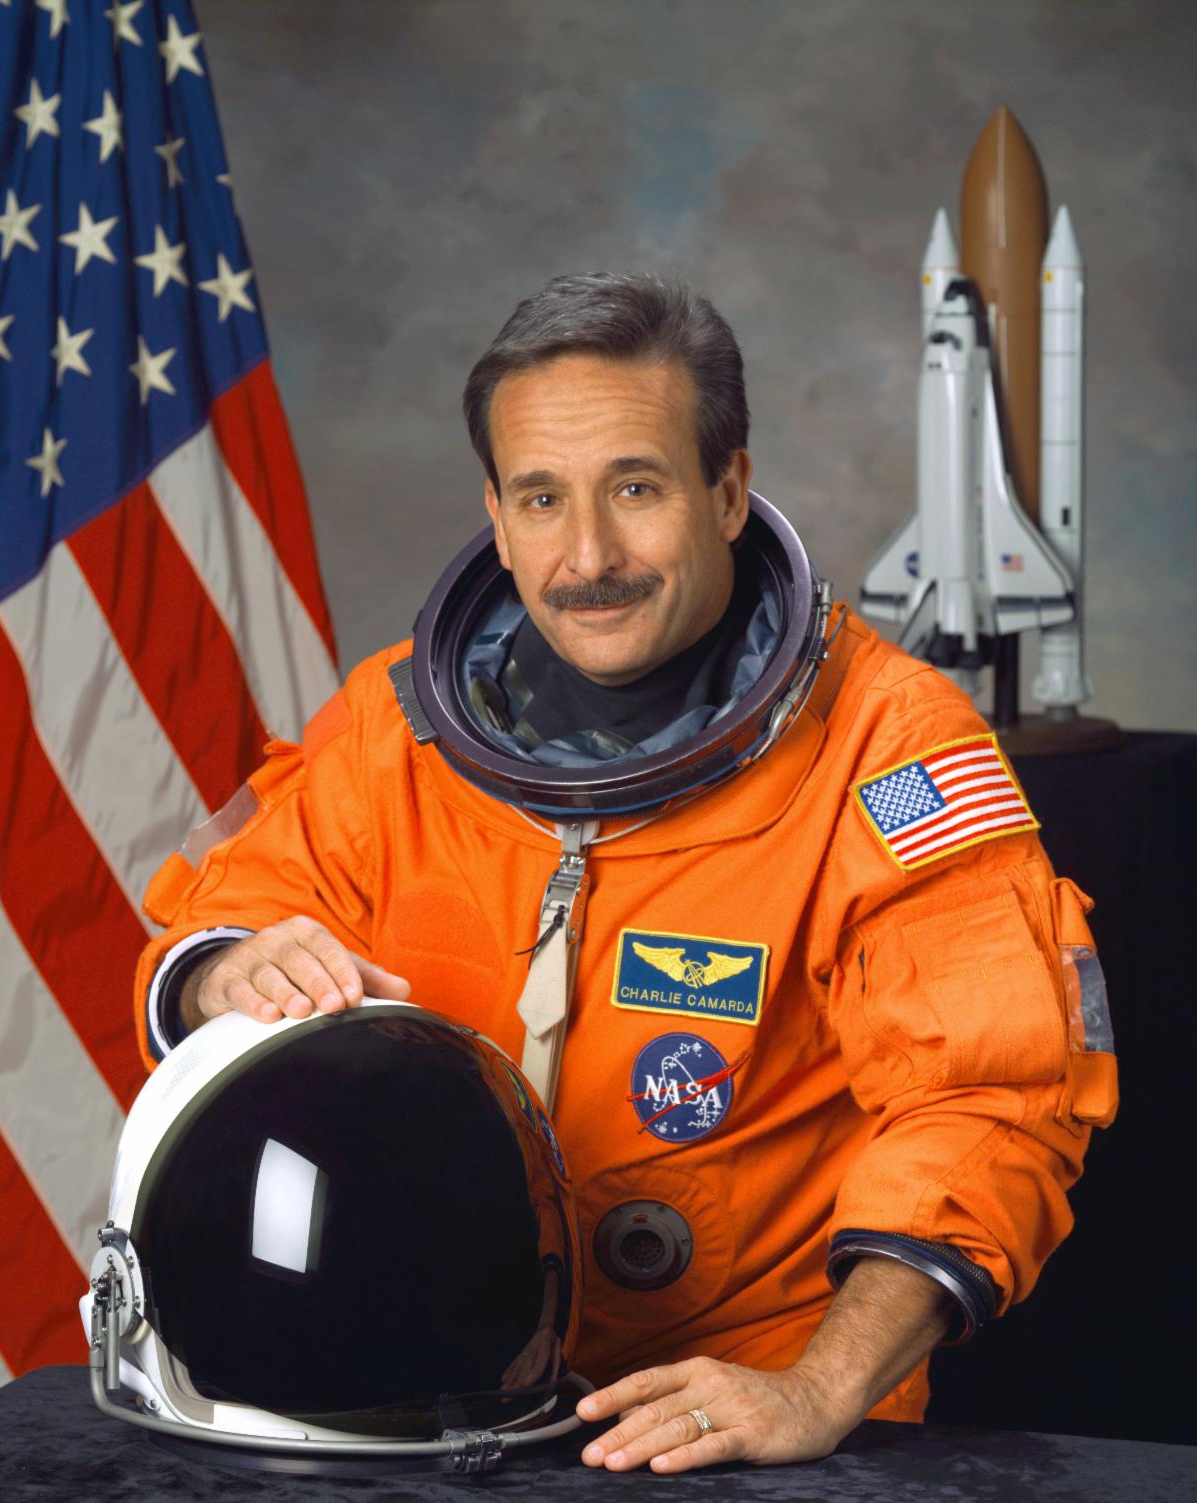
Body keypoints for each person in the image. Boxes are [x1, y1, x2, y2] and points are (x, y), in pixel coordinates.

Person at [132, 273, 1117, 1475]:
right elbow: (213, 919)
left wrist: (816, 1390)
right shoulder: (399, 727)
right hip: (417, 1402)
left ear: (729, 490)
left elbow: (992, 1099)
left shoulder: (888, 748)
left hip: (735, 1419)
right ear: (495, 517)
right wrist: (222, 973)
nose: (588, 555)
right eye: (542, 498)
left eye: (636, 489)